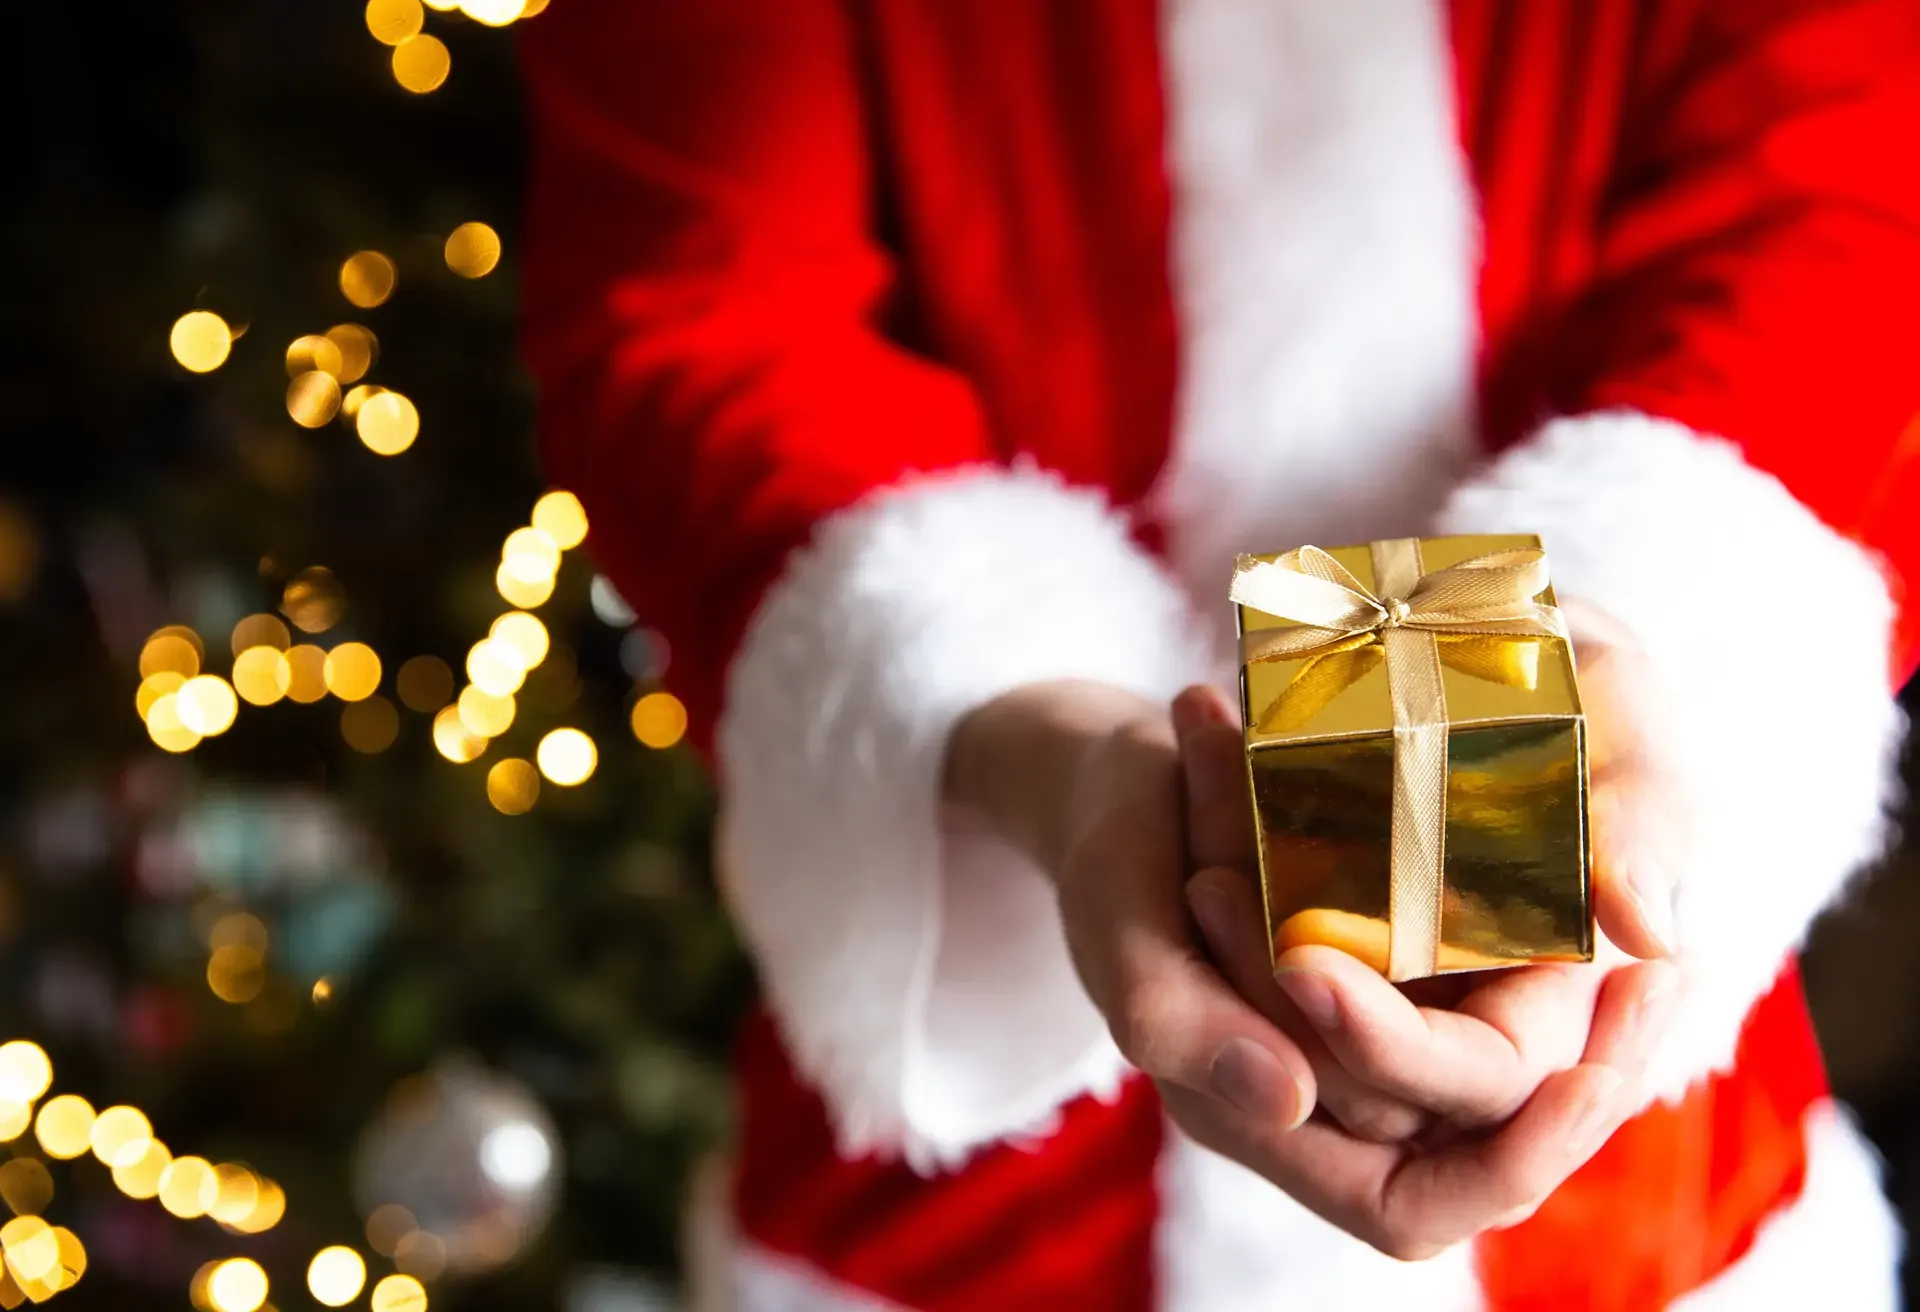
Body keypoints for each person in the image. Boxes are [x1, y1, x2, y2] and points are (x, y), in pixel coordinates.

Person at [517, 2, 1920, 1308]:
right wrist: (1030, 721)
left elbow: (1843, 214)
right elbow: (702, 307)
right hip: (976, 1214)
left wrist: (1622, 625)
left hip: (1643, 1206)